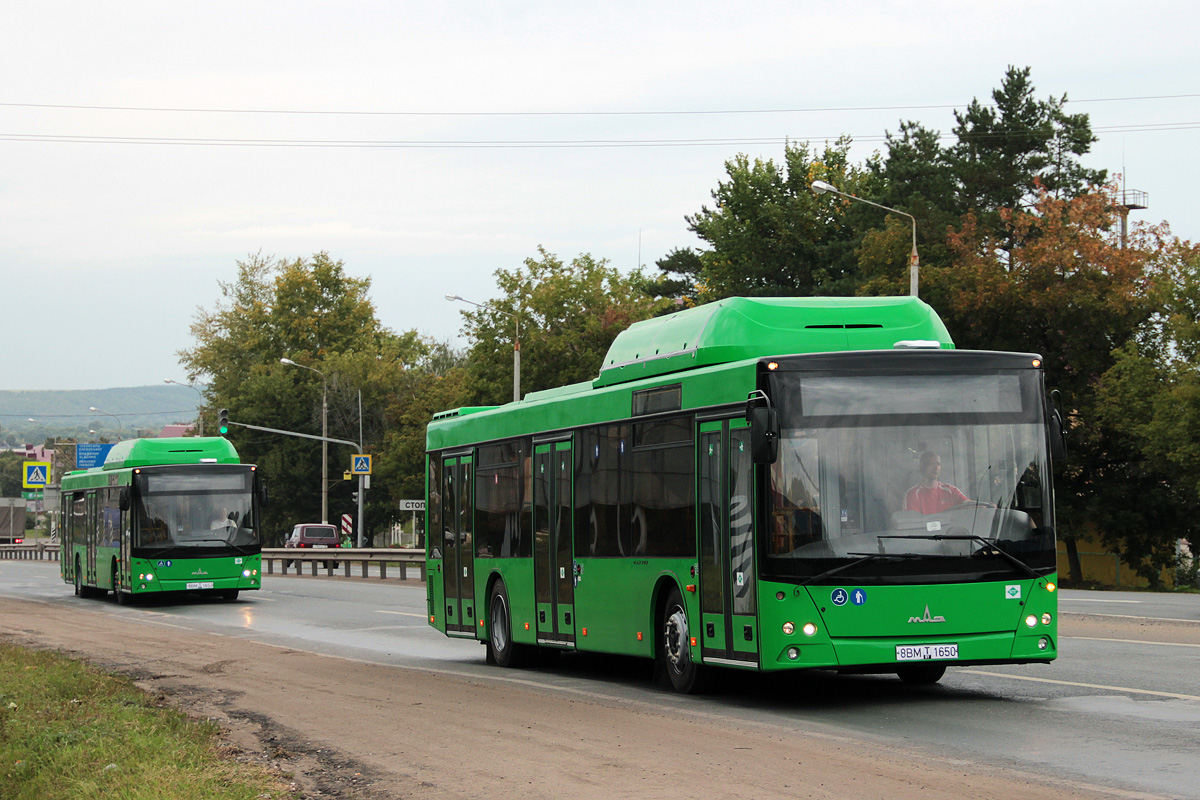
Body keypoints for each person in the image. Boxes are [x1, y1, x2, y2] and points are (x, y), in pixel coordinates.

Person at [903, 451, 971, 514]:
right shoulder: (913, 494)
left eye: (938, 464)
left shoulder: (951, 490)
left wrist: (981, 507)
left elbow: (970, 505)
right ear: (922, 466)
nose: (936, 468)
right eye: (931, 464)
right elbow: (911, 523)